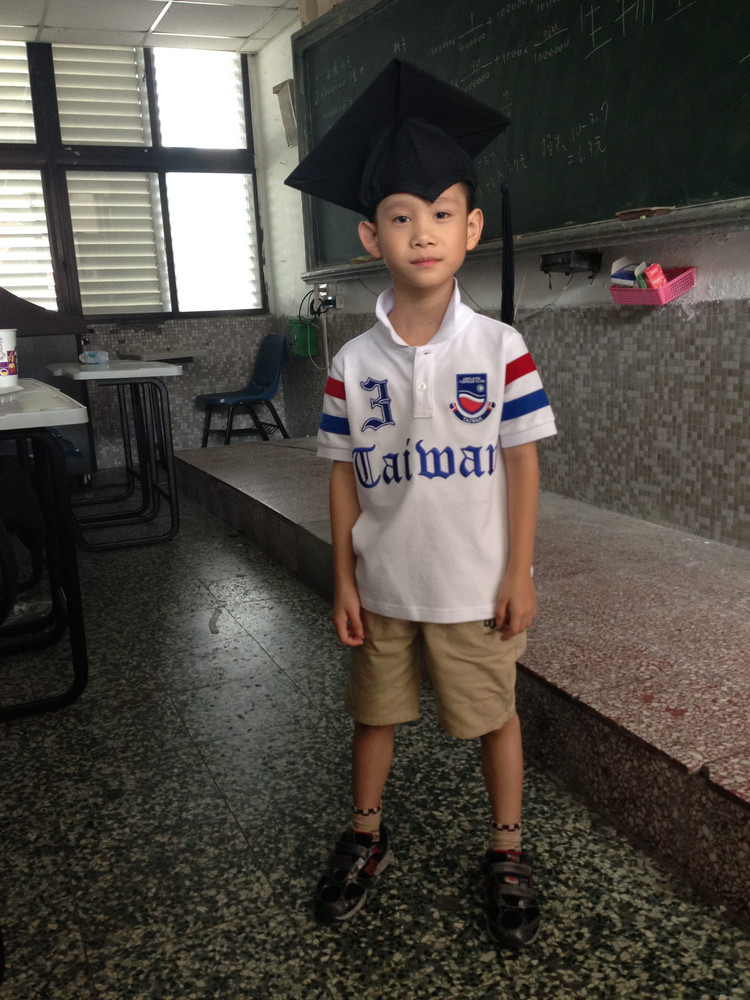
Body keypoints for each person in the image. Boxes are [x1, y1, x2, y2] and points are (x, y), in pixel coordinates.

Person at [285, 60, 556, 949]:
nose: (423, 232)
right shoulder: (351, 363)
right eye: (401, 216)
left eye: (442, 213)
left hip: (476, 586)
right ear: (372, 235)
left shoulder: (501, 348)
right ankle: (365, 835)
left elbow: (521, 461)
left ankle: (506, 848)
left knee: (495, 716)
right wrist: (344, 579)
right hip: (386, 585)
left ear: (472, 228)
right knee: (373, 715)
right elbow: (340, 474)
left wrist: (519, 571)